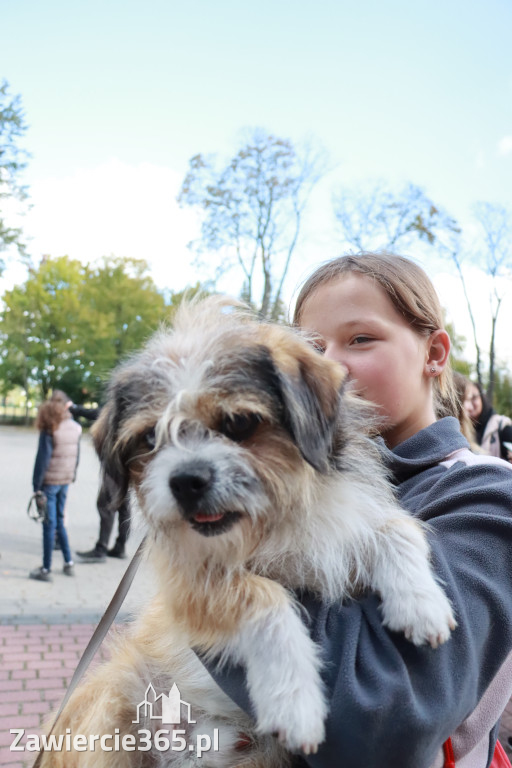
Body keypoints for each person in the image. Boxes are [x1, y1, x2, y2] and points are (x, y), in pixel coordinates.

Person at [207, 252, 512, 768]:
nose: (326, 367)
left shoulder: (486, 493)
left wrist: (218, 583)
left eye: (360, 340)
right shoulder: (293, 482)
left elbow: (382, 721)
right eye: (311, 348)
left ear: (434, 352)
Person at [30, 390, 82, 582]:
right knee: (60, 520)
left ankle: (46, 568)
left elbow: (42, 460)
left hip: (50, 483)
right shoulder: (75, 427)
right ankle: (68, 562)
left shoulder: (50, 427)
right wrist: (72, 476)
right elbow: (77, 457)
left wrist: (36, 486)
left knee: (48, 524)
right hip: (65, 481)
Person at [69, 404, 131, 561]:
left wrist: (75, 409)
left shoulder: (120, 405)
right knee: (124, 508)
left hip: (114, 466)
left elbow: (99, 414)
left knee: (106, 506)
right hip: (128, 466)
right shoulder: (135, 404)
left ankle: (101, 549)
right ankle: (120, 547)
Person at [463, 379, 512, 461]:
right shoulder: (460, 430)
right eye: (466, 399)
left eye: (474, 397)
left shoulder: (501, 426)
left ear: (482, 398)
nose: (469, 404)